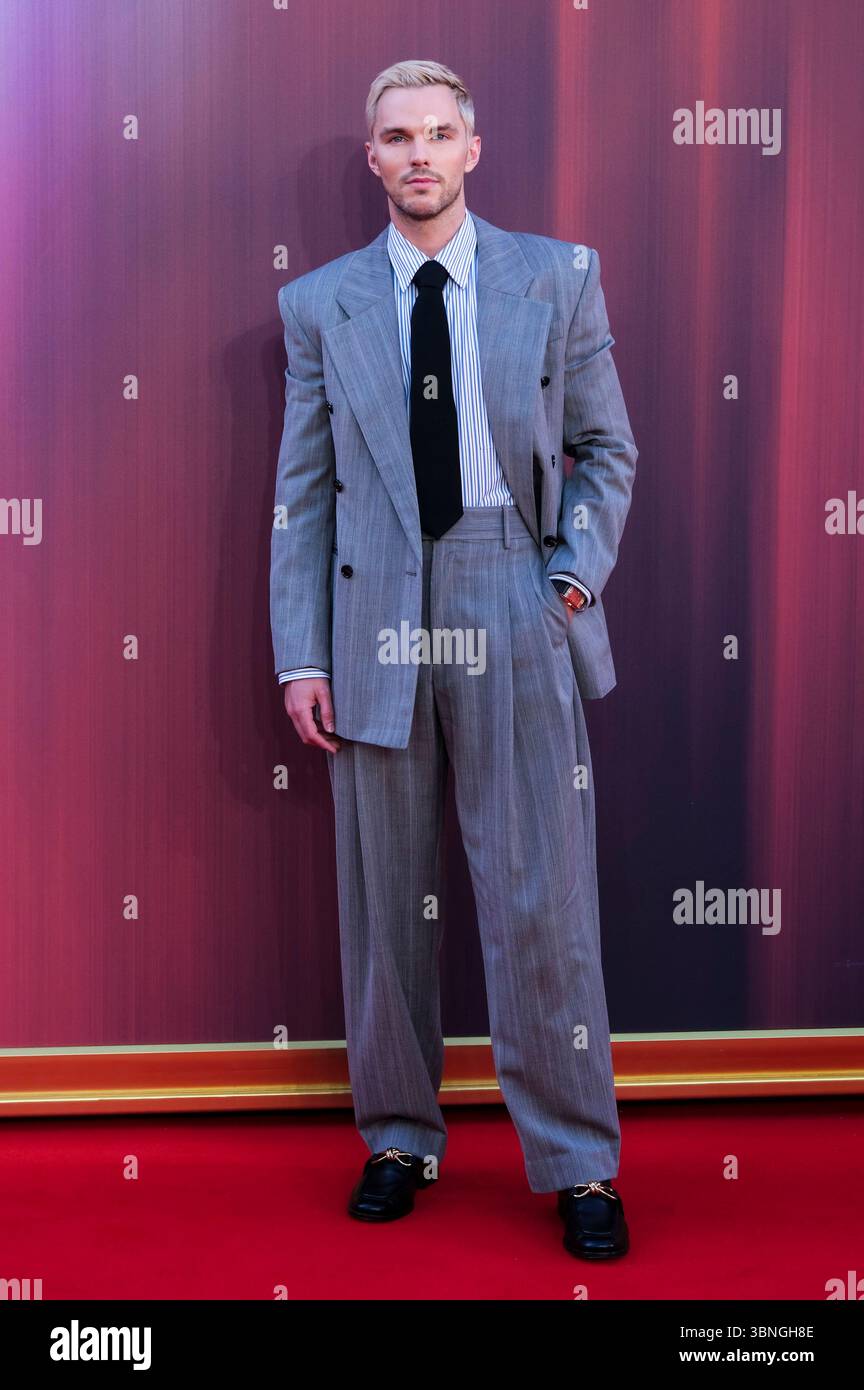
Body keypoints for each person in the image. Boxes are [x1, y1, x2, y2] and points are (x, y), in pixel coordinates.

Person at [270, 59, 638, 1259]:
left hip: (509, 588)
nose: (419, 153)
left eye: (438, 133)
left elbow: (604, 450)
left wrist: (567, 581)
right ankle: (396, 1135)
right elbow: (302, 498)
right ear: (371, 158)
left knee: (544, 898)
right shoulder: (321, 305)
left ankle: (579, 1161)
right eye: (396, 136)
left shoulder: (557, 278)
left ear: (472, 150)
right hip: (370, 601)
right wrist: (299, 657)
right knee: (383, 903)